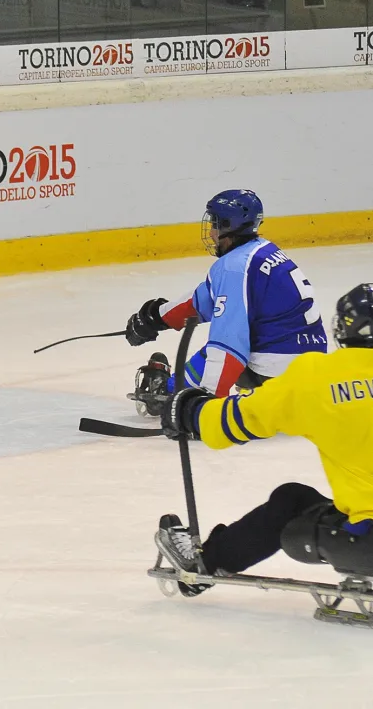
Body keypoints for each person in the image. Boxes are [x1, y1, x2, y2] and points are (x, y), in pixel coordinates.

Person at [155, 283, 373, 595]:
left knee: (290, 503)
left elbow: (240, 419)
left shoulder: (318, 377)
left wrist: (190, 410)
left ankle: (202, 568)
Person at [124, 189, 327, 416]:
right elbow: (205, 299)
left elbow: (228, 343)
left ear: (230, 226)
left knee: (213, 351)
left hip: (276, 372)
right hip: (311, 369)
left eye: (215, 224)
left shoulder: (234, 266)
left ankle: (168, 392)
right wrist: (156, 317)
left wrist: (207, 409)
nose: (211, 232)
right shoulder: (262, 250)